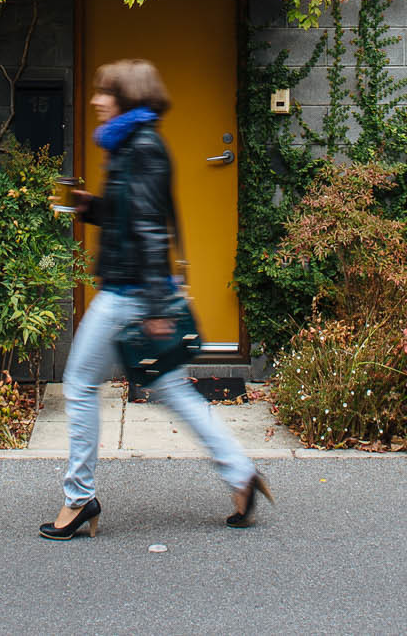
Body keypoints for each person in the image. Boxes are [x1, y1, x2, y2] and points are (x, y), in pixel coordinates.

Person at [40, 58, 271, 540]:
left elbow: (147, 230)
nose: (96, 101)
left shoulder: (140, 148)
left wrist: (151, 307)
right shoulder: (134, 145)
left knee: (80, 384)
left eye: (104, 94)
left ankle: (79, 499)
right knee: (171, 390)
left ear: (125, 98)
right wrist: (88, 206)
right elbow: (131, 217)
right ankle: (241, 474)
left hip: (128, 291)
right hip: (140, 288)